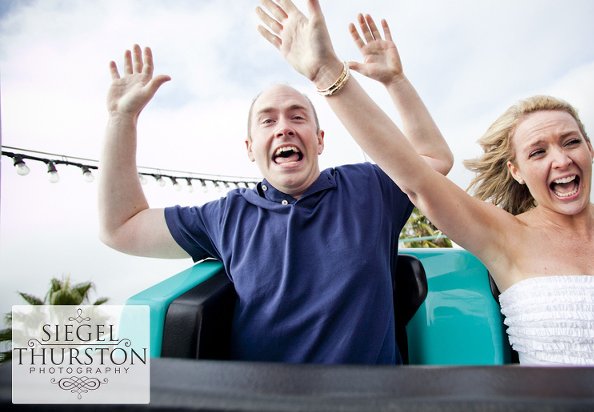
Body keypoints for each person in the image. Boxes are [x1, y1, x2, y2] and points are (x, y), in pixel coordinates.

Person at [255, 0, 594, 366]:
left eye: (570, 143)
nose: (561, 160)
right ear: (516, 171)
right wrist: (327, 73)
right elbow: (418, 177)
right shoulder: (504, 235)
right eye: (539, 152)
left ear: (590, 149)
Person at [98, 35, 453, 362]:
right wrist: (121, 118)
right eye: (267, 121)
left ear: (319, 140)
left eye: (297, 117)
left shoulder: (370, 187)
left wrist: (396, 81)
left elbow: (435, 161)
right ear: (251, 149)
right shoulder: (226, 215)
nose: (284, 127)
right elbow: (121, 227)